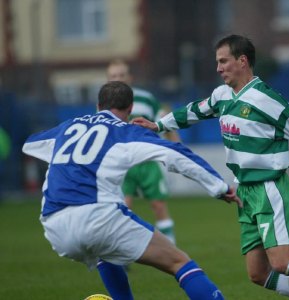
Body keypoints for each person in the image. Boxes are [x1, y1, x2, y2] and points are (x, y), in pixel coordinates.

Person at [133, 35, 289, 300]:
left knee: (282, 262)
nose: (218, 68)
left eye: (223, 61)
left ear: (242, 61)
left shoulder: (266, 99)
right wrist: (159, 125)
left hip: (269, 186)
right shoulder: (222, 95)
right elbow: (194, 110)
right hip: (245, 192)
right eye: (217, 62)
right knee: (258, 274)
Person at [22, 81, 242, 300]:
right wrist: (219, 187)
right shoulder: (126, 132)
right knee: (179, 262)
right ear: (130, 109)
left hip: (54, 225)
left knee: (106, 253)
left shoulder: (67, 127)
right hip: (96, 217)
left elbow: (31, 144)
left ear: (98, 105)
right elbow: (177, 154)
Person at [107, 59, 179, 243]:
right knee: (123, 207)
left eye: (121, 75)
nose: (118, 79)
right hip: (122, 165)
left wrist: (176, 147)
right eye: (114, 76)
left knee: (158, 205)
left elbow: (164, 121)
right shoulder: (104, 104)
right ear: (107, 80)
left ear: (130, 77)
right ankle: (123, 252)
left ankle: (171, 249)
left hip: (147, 161)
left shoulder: (146, 99)